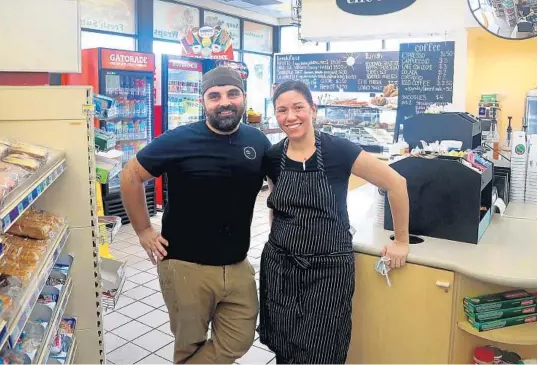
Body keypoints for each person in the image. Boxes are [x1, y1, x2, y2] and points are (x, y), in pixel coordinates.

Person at [120, 66, 272, 364]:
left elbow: (279, 192)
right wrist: (143, 231)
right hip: (186, 266)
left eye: (232, 94)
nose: (224, 102)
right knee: (189, 346)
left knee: (239, 340)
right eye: (214, 96)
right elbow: (130, 176)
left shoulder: (258, 142)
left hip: (238, 265)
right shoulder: (179, 139)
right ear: (203, 102)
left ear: (243, 97)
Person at [259, 80, 410, 364]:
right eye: (282, 110)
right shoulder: (272, 157)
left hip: (328, 270)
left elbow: (396, 183)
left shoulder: (339, 151)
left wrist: (401, 241)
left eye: (298, 107)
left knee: (323, 348)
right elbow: (276, 205)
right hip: (281, 267)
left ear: (313, 110)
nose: (290, 117)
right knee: (284, 342)